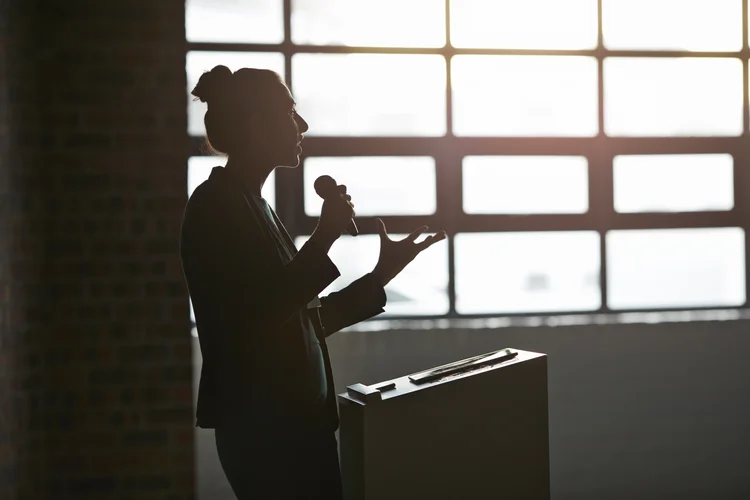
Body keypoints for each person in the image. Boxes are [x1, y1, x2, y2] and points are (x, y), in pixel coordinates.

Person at [180, 65, 446, 499]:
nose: (302, 125)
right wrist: (325, 234)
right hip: (266, 434)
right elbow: (258, 316)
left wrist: (381, 275)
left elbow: (301, 321)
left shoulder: (254, 206)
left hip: (296, 428)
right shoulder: (215, 206)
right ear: (255, 124)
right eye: (289, 112)